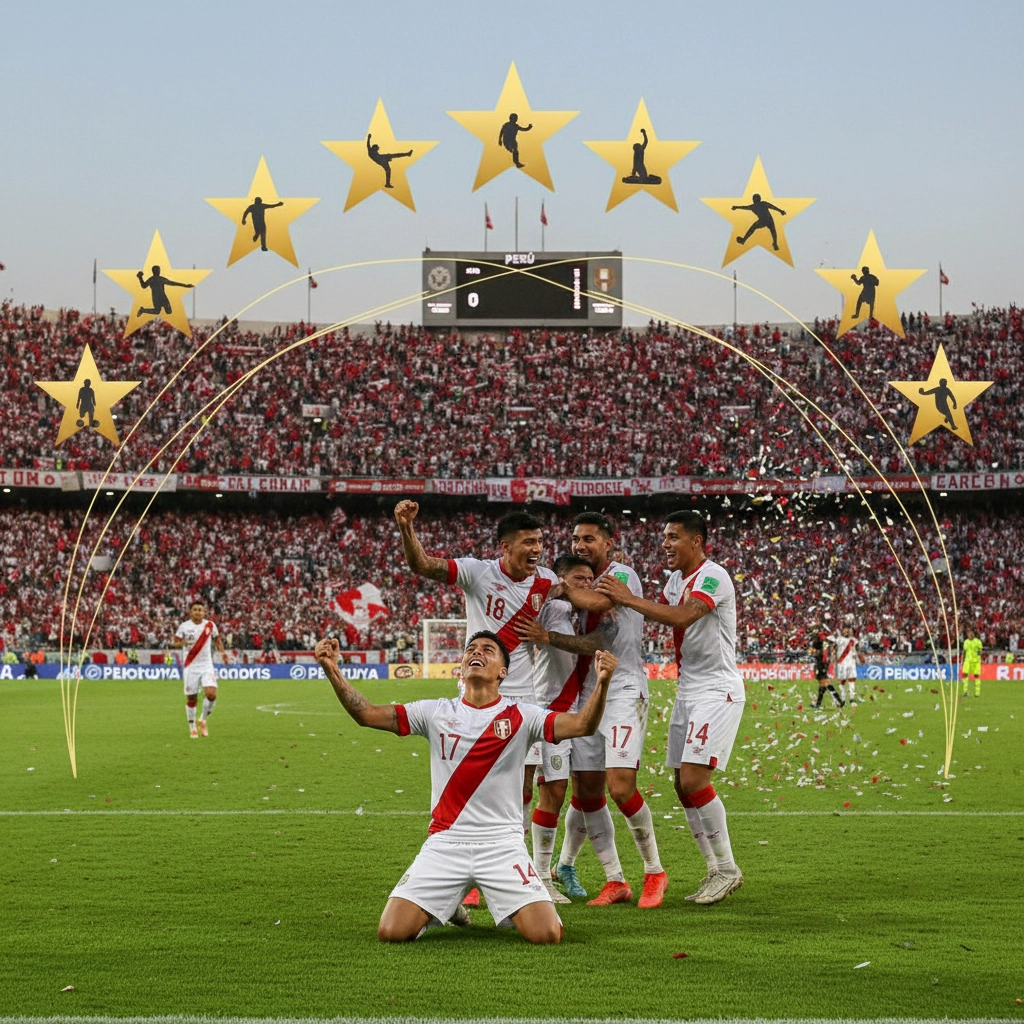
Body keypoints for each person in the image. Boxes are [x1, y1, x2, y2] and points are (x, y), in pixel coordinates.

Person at [315, 629, 618, 943]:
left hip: (502, 845)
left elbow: (582, 725)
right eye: (471, 649)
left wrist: (603, 682)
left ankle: (476, 904)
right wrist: (331, 669)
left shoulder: (522, 716)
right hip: (445, 844)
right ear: (461, 667)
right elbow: (366, 715)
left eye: (488, 650)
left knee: (547, 935)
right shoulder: (435, 712)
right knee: (391, 932)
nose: (477, 652)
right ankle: (444, 908)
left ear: (503, 672)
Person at [395, 501, 558, 905]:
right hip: (478, 697)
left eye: (539, 542)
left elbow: (575, 593)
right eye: (528, 542)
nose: (537, 549)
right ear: (505, 546)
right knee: (471, 784)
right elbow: (423, 565)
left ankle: (520, 870)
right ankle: (465, 876)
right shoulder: (478, 572)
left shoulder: (546, 581)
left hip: (523, 701)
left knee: (521, 787)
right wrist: (407, 528)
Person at [594, 510, 745, 906]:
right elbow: (658, 612)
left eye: (673, 537)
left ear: (696, 541)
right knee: (681, 784)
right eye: (664, 537)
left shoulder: (713, 577)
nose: (665, 544)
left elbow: (682, 616)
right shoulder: (675, 581)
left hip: (717, 690)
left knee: (694, 780)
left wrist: (628, 597)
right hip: (688, 690)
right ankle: (714, 869)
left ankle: (728, 868)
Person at [529, 512, 667, 909]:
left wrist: (562, 587)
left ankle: (654, 872)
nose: (580, 545)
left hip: (623, 689)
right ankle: (615, 880)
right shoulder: (577, 589)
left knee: (620, 786)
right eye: (576, 538)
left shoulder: (619, 575)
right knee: (588, 792)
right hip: (587, 696)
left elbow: (601, 609)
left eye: (589, 539)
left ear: (608, 543)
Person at [515, 554, 594, 902]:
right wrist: (550, 594)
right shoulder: (556, 608)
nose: (586, 585)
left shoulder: (587, 613)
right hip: (549, 709)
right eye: (578, 578)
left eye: (589, 579)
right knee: (544, 791)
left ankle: (556, 869)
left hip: (580, 711)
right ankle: (533, 874)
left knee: (575, 792)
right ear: (561, 581)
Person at [170, 600, 228, 738]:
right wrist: (184, 643)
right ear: (190, 612)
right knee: (192, 697)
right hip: (190, 665)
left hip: (206, 665)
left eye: (200, 610)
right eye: (195, 610)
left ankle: (202, 720)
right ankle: (192, 727)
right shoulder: (184, 626)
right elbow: (174, 643)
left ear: (204, 612)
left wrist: (223, 653)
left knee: (211, 695)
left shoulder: (210, 625)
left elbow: (217, 639)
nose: (197, 612)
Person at [811, 628, 844, 708]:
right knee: (824, 686)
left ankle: (839, 701)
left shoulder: (821, 646)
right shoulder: (826, 646)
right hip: (823, 666)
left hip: (821, 666)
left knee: (826, 685)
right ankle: (819, 704)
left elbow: (821, 656)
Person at [830, 628, 860, 706]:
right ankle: (845, 698)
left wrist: (856, 657)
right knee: (843, 681)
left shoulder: (851, 640)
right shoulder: (844, 640)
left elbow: (855, 649)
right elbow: (833, 647)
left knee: (850, 680)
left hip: (848, 663)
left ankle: (849, 698)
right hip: (844, 663)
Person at [962, 628, 982, 697]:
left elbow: (980, 651)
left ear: (974, 634)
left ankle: (977, 693)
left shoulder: (978, 642)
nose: (970, 634)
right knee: (965, 675)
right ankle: (965, 691)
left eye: (971, 633)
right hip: (967, 661)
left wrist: (978, 656)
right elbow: (965, 651)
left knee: (976, 676)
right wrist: (963, 660)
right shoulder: (965, 642)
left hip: (976, 661)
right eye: (968, 633)